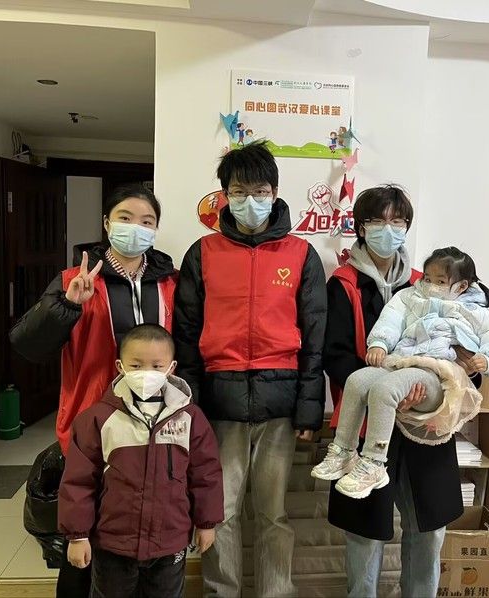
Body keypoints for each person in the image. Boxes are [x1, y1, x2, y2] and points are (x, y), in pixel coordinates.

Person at [173, 141, 327, 597]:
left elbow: (314, 337)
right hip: (219, 403)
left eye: (259, 191)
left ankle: (276, 593)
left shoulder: (301, 254)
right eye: (239, 191)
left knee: (273, 514)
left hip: (281, 404)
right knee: (220, 512)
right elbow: (186, 333)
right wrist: (190, 405)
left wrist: (308, 408)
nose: (250, 201)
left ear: (274, 192)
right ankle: (222, 592)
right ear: (225, 195)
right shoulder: (203, 253)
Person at [10, 183, 178, 598]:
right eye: (125, 218)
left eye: (147, 221)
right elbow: (28, 345)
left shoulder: (171, 283)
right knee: (82, 537)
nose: (136, 227)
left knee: (136, 535)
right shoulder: (75, 279)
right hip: (92, 426)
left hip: (153, 429)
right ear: (106, 223)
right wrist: (68, 305)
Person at [323, 185, 474, 598]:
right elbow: (334, 355)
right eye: (377, 220)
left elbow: (468, 339)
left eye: (398, 220)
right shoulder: (343, 284)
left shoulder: (431, 282)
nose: (387, 228)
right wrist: (383, 387)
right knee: (364, 530)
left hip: (425, 422)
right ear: (360, 226)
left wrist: (439, 381)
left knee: (429, 526)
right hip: (369, 420)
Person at [313, 247, 489, 498]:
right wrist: (379, 343)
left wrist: (488, 358)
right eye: (427, 278)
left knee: (385, 389)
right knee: (357, 380)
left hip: (437, 373)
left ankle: (374, 462)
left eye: (440, 281)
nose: (430, 285)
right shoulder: (410, 296)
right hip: (403, 362)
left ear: (462, 286)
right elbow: (391, 319)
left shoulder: (475, 310)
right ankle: (344, 451)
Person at [59, 324, 223, 598]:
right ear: (120, 366)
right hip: (113, 542)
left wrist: (206, 523)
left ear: (171, 368)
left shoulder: (190, 419)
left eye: (156, 366)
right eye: (136, 365)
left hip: (169, 540)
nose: (146, 373)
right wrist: (78, 535)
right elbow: (78, 480)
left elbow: (206, 474)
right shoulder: (98, 419)